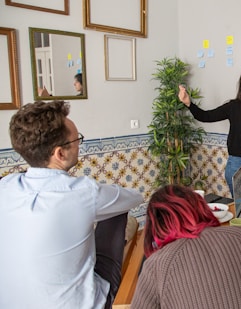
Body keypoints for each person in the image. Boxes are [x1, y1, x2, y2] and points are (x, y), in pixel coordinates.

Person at [0, 101, 144, 309]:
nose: (79, 144)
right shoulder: (83, 192)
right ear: (60, 153)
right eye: (78, 139)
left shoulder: (6, 185)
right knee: (116, 210)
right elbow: (135, 198)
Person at [178, 66, 241, 201]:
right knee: (240, 205)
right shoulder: (234, 107)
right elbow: (205, 116)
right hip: (239, 161)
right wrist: (189, 103)